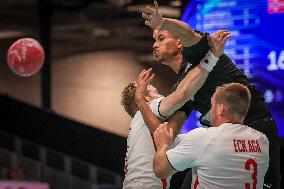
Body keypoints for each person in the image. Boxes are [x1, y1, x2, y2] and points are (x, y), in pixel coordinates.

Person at [139, 1, 280, 188]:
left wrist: (162, 21)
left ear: (179, 42)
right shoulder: (181, 86)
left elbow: (188, 33)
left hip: (255, 127)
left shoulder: (201, 52)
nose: (155, 45)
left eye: (161, 38)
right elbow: (167, 131)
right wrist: (142, 104)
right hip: (223, 138)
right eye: (155, 40)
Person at [121, 32, 229, 189]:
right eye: (154, 91)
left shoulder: (143, 128)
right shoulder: (150, 108)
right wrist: (212, 56)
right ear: (145, 100)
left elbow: (175, 141)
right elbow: (182, 95)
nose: (161, 95)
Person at [153, 83, 270, 189]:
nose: (210, 111)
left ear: (220, 108)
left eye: (212, 105)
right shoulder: (262, 140)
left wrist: (163, 145)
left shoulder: (204, 138)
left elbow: (160, 169)